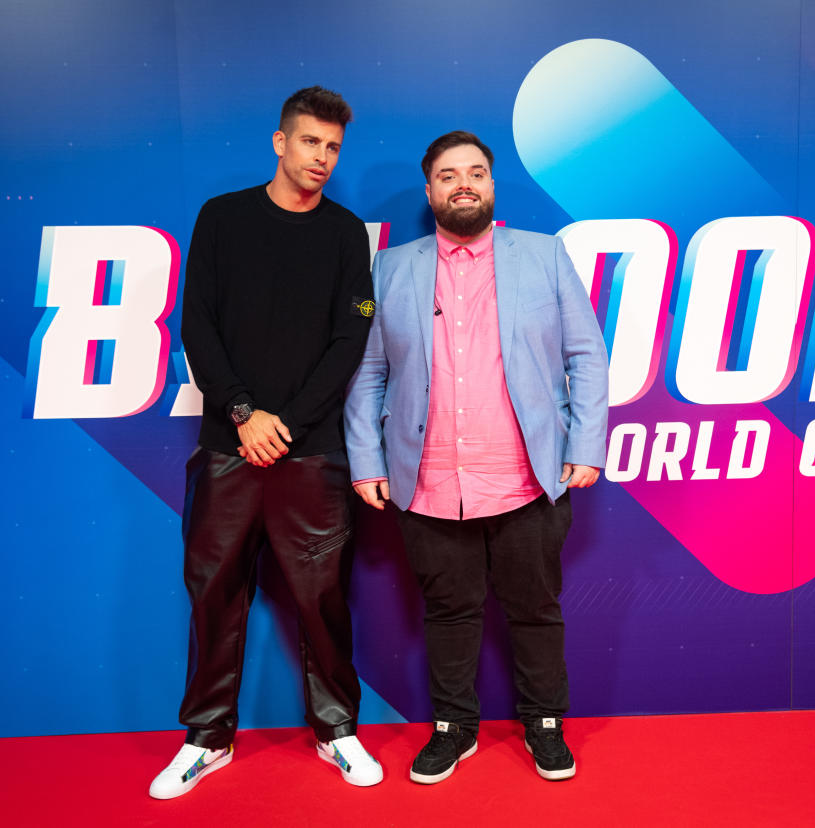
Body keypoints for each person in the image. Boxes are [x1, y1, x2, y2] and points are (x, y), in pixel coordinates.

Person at [343, 130, 609, 783]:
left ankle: (545, 722)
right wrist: (367, 459)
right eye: (449, 174)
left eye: (477, 173)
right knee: (448, 612)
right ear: (430, 190)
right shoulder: (391, 268)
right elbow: (369, 373)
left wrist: (584, 445)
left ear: (491, 185)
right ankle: (453, 727)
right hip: (428, 480)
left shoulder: (545, 257)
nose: (465, 183)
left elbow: (586, 356)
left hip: (527, 479)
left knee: (535, 608)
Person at [149, 86, 382, 799]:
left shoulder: (345, 233)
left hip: (311, 453)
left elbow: (351, 339)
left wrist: (285, 424)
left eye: (333, 147)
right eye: (310, 142)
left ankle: (337, 730)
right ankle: (206, 739)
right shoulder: (221, 218)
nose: (321, 158)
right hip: (228, 446)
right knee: (215, 591)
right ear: (280, 142)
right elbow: (197, 326)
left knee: (323, 597)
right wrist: (246, 413)